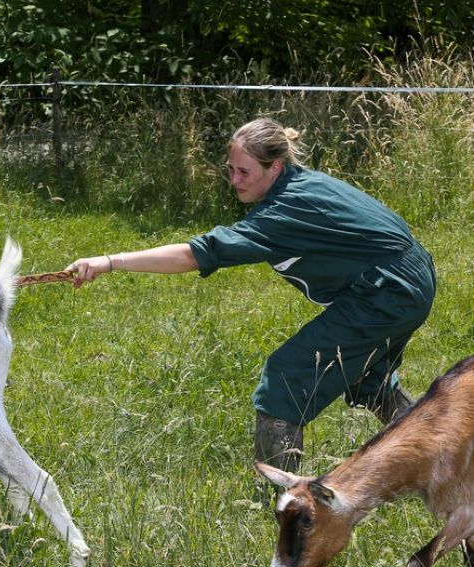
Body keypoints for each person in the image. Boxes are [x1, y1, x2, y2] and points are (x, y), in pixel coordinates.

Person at [65, 117, 436, 474]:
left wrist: (110, 262)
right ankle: (446, 461)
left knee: (286, 377)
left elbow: (195, 255)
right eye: (231, 169)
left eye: (244, 172)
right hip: (410, 278)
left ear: (274, 167)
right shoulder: (302, 185)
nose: (234, 180)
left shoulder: (286, 209)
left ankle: (282, 500)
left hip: (389, 290)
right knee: (367, 379)